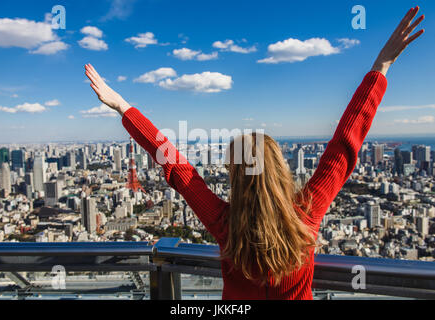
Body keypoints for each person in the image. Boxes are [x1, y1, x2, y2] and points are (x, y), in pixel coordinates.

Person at [85, 7, 424, 299]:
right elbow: (343, 149)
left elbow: (177, 167)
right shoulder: (305, 216)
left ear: (235, 176)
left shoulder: (225, 225)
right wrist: (381, 66)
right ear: (279, 170)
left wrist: (122, 106)